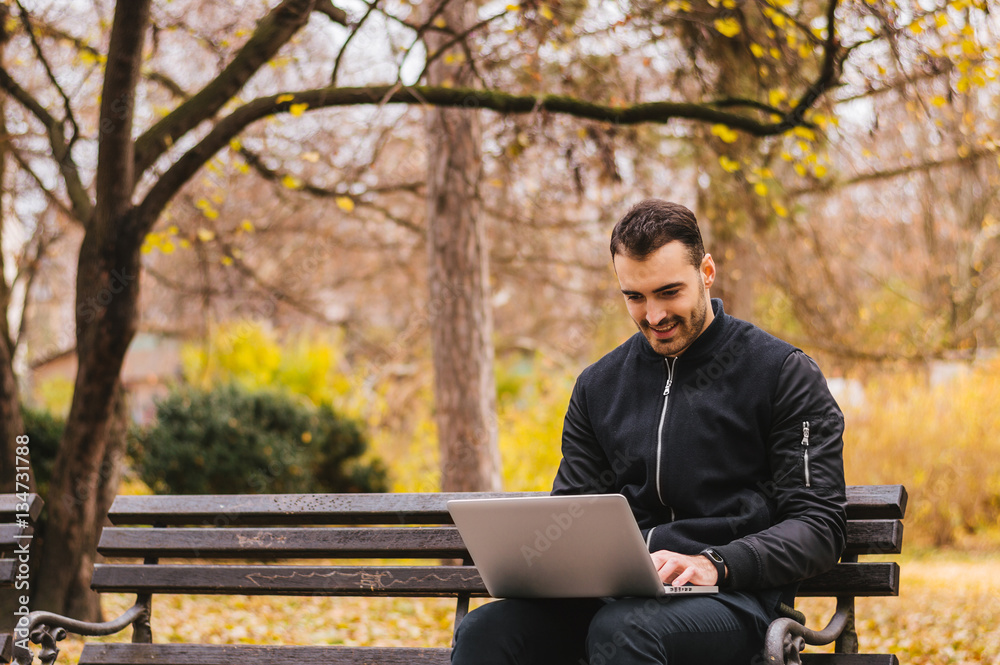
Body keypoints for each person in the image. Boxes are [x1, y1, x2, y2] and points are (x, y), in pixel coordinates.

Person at [450, 199, 847, 665]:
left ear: (707, 271)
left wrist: (714, 563)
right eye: (634, 297)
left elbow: (819, 525)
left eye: (669, 291)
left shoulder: (781, 373)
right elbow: (575, 510)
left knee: (625, 628)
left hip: (734, 601)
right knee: (487, 629)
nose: (653, 316)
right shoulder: (599, 386)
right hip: (610, 601)